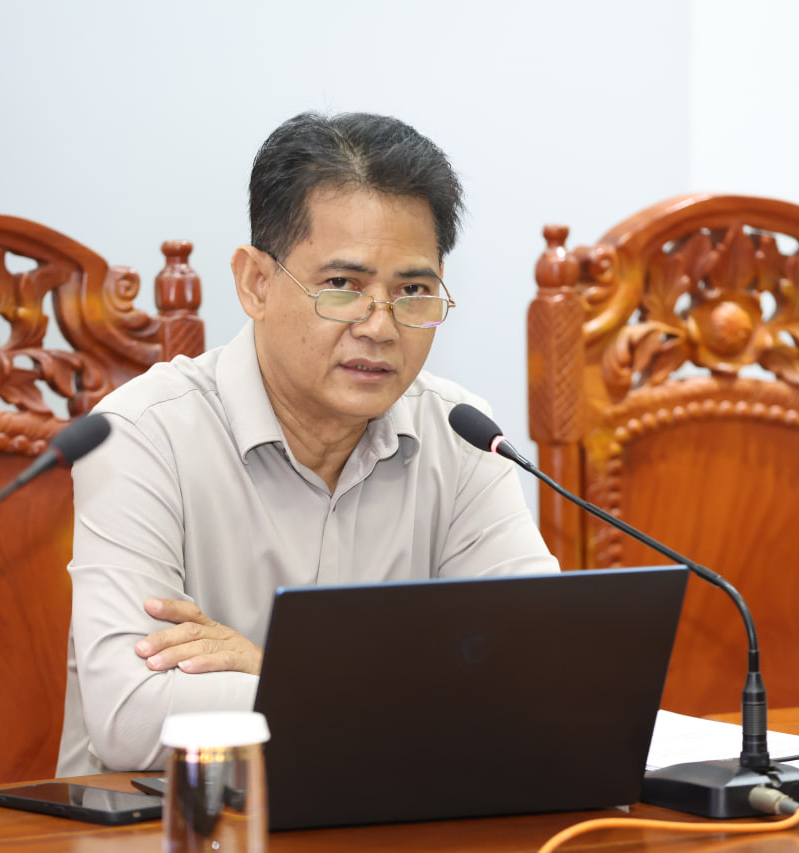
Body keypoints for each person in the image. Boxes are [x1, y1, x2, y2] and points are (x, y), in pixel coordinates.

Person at [57, 111, 558, 776]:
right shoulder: (143, 435)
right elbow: (133, 719)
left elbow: (539, 677)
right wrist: (400, 688)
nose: (380, 326)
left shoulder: (462, 434)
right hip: (176, 817)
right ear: (255, 283)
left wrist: (271, 671)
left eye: (412, 290)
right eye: (342, 286)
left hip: (384, 813)